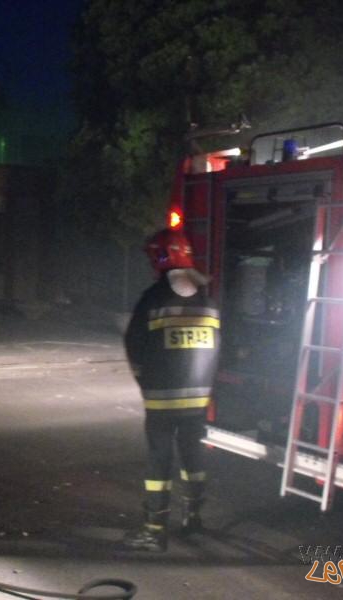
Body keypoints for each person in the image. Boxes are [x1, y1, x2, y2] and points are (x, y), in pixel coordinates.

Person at [122, 228, 221, 552]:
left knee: (159, 461)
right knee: (193, 457)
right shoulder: (208, 301)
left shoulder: (153, 298)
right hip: (198, 400)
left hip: (161, 401)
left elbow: (134, 346)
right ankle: (193, 518)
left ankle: (154, 530)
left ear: (158, 257)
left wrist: (144, 382)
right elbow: (219, 349)